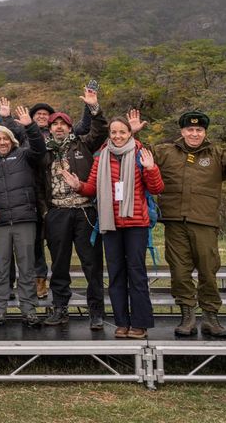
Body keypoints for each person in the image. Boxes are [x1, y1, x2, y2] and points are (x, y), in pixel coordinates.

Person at [149, 110, 226, 338]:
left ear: (205, 132)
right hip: (175, 222)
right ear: (182, 131)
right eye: (190, 129)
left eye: (199, 130)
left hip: (205, 221)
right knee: (179, 271)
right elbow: (140, 155)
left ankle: (210, 317)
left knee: (208, 270)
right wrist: (135, 133)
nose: (194, 134)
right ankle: (187, 316)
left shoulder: (217, 154)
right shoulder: (165, 152)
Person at [63, 116, 164, 339]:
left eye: (122, 132)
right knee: (116, 274)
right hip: (111, 225)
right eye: (114, 132)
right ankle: (122, 322)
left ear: (130, 133)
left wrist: (151, 169)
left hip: (136, 224)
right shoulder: (101, 156)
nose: (118, 136)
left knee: (136, 274)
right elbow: (92, 188)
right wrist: (78, 185)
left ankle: (140, 324)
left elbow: (156, 188)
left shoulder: (140, 153)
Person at [36, 88, 108, 329]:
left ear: (69, 128)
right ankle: (60, 308)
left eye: (63, 124)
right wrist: (45, 211)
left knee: (92, 263)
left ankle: (96, 312)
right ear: (49, 129)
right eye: (54, 124)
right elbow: (38, 185)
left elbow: (100, 131)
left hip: (84, 211)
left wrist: (94, 107)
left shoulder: (83, 144)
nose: (59, 127)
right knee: (59, 264)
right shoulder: (44, 152)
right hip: (57, 212)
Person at [0, 106, 47, 327]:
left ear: (11, 140)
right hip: (0, 223)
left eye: (5, 138)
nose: (1, 142)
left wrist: (30, 126)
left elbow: (39, 148)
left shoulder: (24, 155)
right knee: (1, 268)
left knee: (27, 267)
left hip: (25, 220)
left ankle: (29, 310)